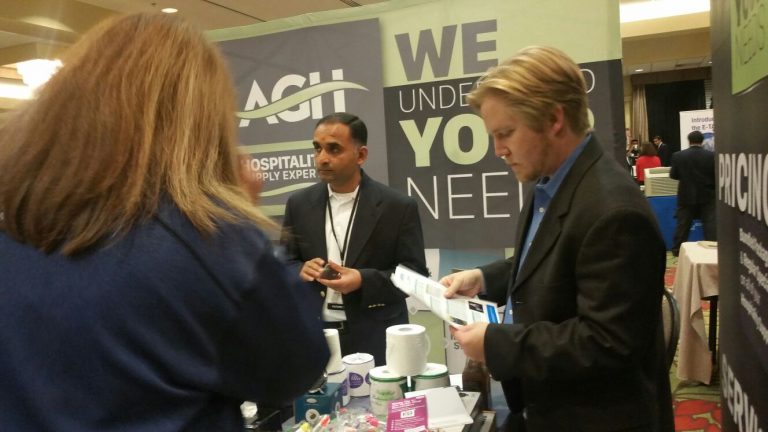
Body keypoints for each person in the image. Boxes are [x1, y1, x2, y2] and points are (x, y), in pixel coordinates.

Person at [0, 13, 329, 431]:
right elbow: (294, 367)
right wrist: (241, 217)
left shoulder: (17, 225)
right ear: (198, 121)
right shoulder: (205, 241)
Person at [440, 46, 674, 431]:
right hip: (545, 405)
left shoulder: (614, 212)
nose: (498, 150)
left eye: (505, 133)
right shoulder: (550, 183)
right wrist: (483, 278)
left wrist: (497, 344)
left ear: (553, 119)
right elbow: (547, 262)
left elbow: (607, 343)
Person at [280, 112, 428, 365]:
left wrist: (362, 280)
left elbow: (414, 276)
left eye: (334, 149)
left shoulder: (397, 206)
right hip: (316, 335)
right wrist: (300, 270)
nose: (322, 158)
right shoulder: (298, 204)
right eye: (317, 149)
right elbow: (285, 263)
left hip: (376, 337)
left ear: (361, 155)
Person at [669, 130, 716, 256]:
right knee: (710, 225)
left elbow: (673, 175)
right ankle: (713, 249)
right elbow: (716, 176)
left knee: (683, 225)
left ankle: (677, 250)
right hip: (708, 196)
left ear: (689, 141)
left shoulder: (678, 156)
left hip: (686, 195)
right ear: (702, 141)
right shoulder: (712, 156)